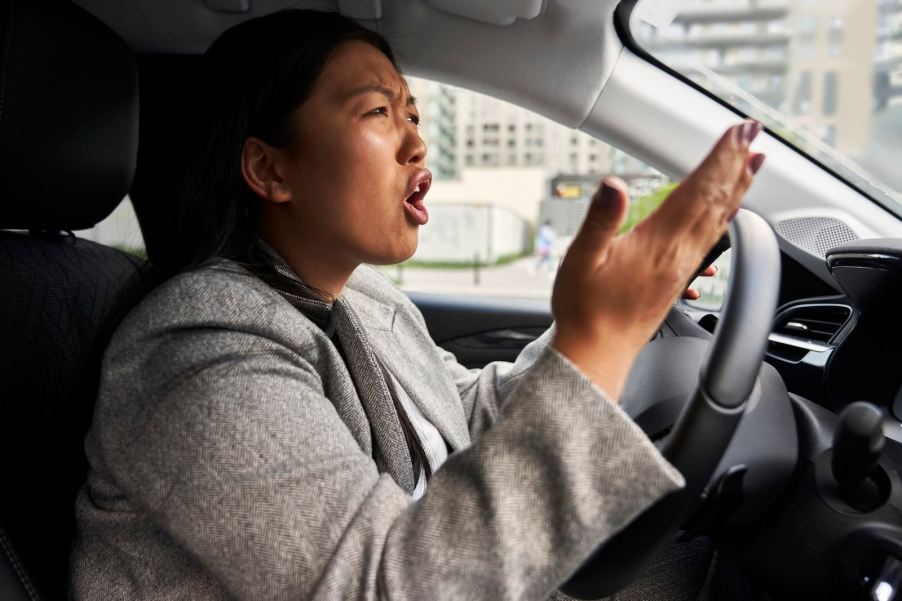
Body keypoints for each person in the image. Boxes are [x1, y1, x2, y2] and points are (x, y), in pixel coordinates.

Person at [69, 9, 765, 601]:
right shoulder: (193, 353)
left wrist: (615, 328)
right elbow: (381, 585)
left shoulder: (360, 293)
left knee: (709, 566)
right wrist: (598, 341)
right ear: (269, 169)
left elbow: (462, 416)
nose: (417, 141)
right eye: (377, 111)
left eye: (412, 111)